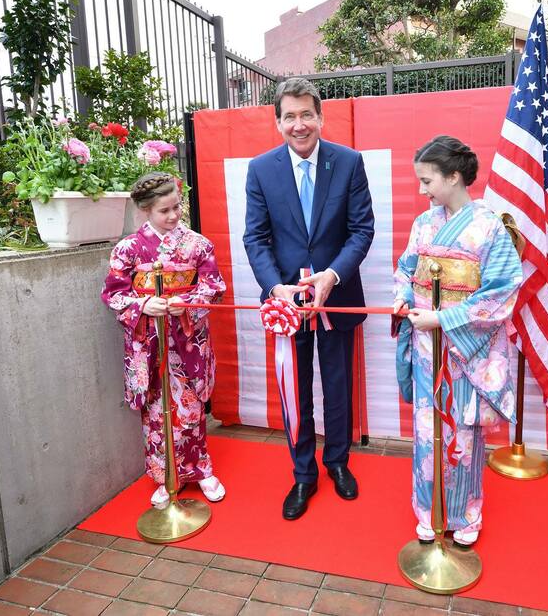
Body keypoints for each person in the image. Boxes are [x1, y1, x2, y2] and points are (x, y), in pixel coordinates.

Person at [243, 78, 375, 520]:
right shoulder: (260, 169)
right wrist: (273, 286)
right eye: (289, 117)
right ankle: (303, 474)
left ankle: (337, 462)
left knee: (338, 386)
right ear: (277, 121)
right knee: (294, 392)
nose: (299, 125)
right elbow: (255, 238)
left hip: (335, 297)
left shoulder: (349, 163)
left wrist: (333, 275)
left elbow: (362, 230)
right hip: (286, 302)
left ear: (320, 116)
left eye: (306, 115)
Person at [393, 135, 522, 546]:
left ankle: (466, 515)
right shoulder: (424, 223)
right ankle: (428, 510)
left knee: (462, 432)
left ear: (453, 177)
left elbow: (502, 290)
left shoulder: (488, 227)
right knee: (426, 430)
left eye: (427, 180)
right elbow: (406, 267)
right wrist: (401, 294)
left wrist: (443, 317)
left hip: (465, 349)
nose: (422, 189)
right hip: (425, 345)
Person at [101, 172, 227, 508]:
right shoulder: (128, 249)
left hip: (187, 338)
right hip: (149, 340)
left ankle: (200, 469)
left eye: (176, 207)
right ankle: (164, 475)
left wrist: (185, 303)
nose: (173, 216)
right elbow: (113, 293)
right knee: (156, 411)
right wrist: (143, 303)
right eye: (164, 210)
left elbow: (213, 288)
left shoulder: (198, 245)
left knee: (191, 406)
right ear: (145, 210)